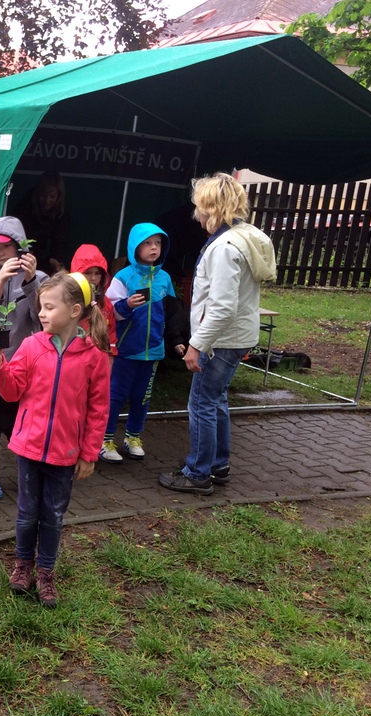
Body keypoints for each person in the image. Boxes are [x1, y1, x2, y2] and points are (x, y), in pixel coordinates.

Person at [0, 272, 111, 607]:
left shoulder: (94, 356)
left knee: (53, 516)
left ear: (74, 311)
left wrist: (89, 453)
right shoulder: (31, 346)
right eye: (41, 306)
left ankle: (46, 572)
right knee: (27, 512)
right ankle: (22, 565)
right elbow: (12, 392)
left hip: (65, 453)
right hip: (29, 447)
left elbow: (99, 409)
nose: (41, 313)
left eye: (49, 307)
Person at [159, 173, 276, 495]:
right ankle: (217, 464)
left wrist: (197, 345)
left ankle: (198, 472)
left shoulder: (224, 247)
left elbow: (222, 307)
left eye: (200, 207)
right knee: (216, 398)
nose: (196, 215)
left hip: (221, 340)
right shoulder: (245, 236)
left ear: (212, 208)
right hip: (235, 336)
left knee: (201, 403)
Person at [0, 216, 50, 498]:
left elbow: (40, 318)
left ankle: (29, 472)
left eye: (5, 247)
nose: (0, 254)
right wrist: (0, 281)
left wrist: (30, 282)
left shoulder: (40, 278)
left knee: (17, 421)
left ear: (19, 246)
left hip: (23, 364)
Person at [99, 223, 176, 464]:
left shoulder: (164, 278)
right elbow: (110, 313)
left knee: (143, 397)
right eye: (147, 243)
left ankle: (133, 437)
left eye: (158, 243)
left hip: (153, 351)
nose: (154, 248)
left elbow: (172, 312)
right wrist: (127, 306)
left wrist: (176, 340)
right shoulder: (123, 277)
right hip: (125, 350)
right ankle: (104, 440)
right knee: (115, 396)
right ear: (135, 247)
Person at [13, 170, 70, 275]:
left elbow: (61, 243)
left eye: (52, 196)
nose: (47, 200)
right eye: (43, 195)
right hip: (25, 260)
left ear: (59, 196)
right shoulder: (24, 210)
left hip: (48, 263)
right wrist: (48, 259)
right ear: (37, 193)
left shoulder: (61, 215)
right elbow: (23, 241)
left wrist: (57, 262)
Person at [69, 243, 118, 356]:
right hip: (72, 357)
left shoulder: (106, 303)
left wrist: (110, 357)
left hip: (98, 359)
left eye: (97, 273)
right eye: (88, 273)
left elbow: (110, 334)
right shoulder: (67, 299)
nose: (93, 278)